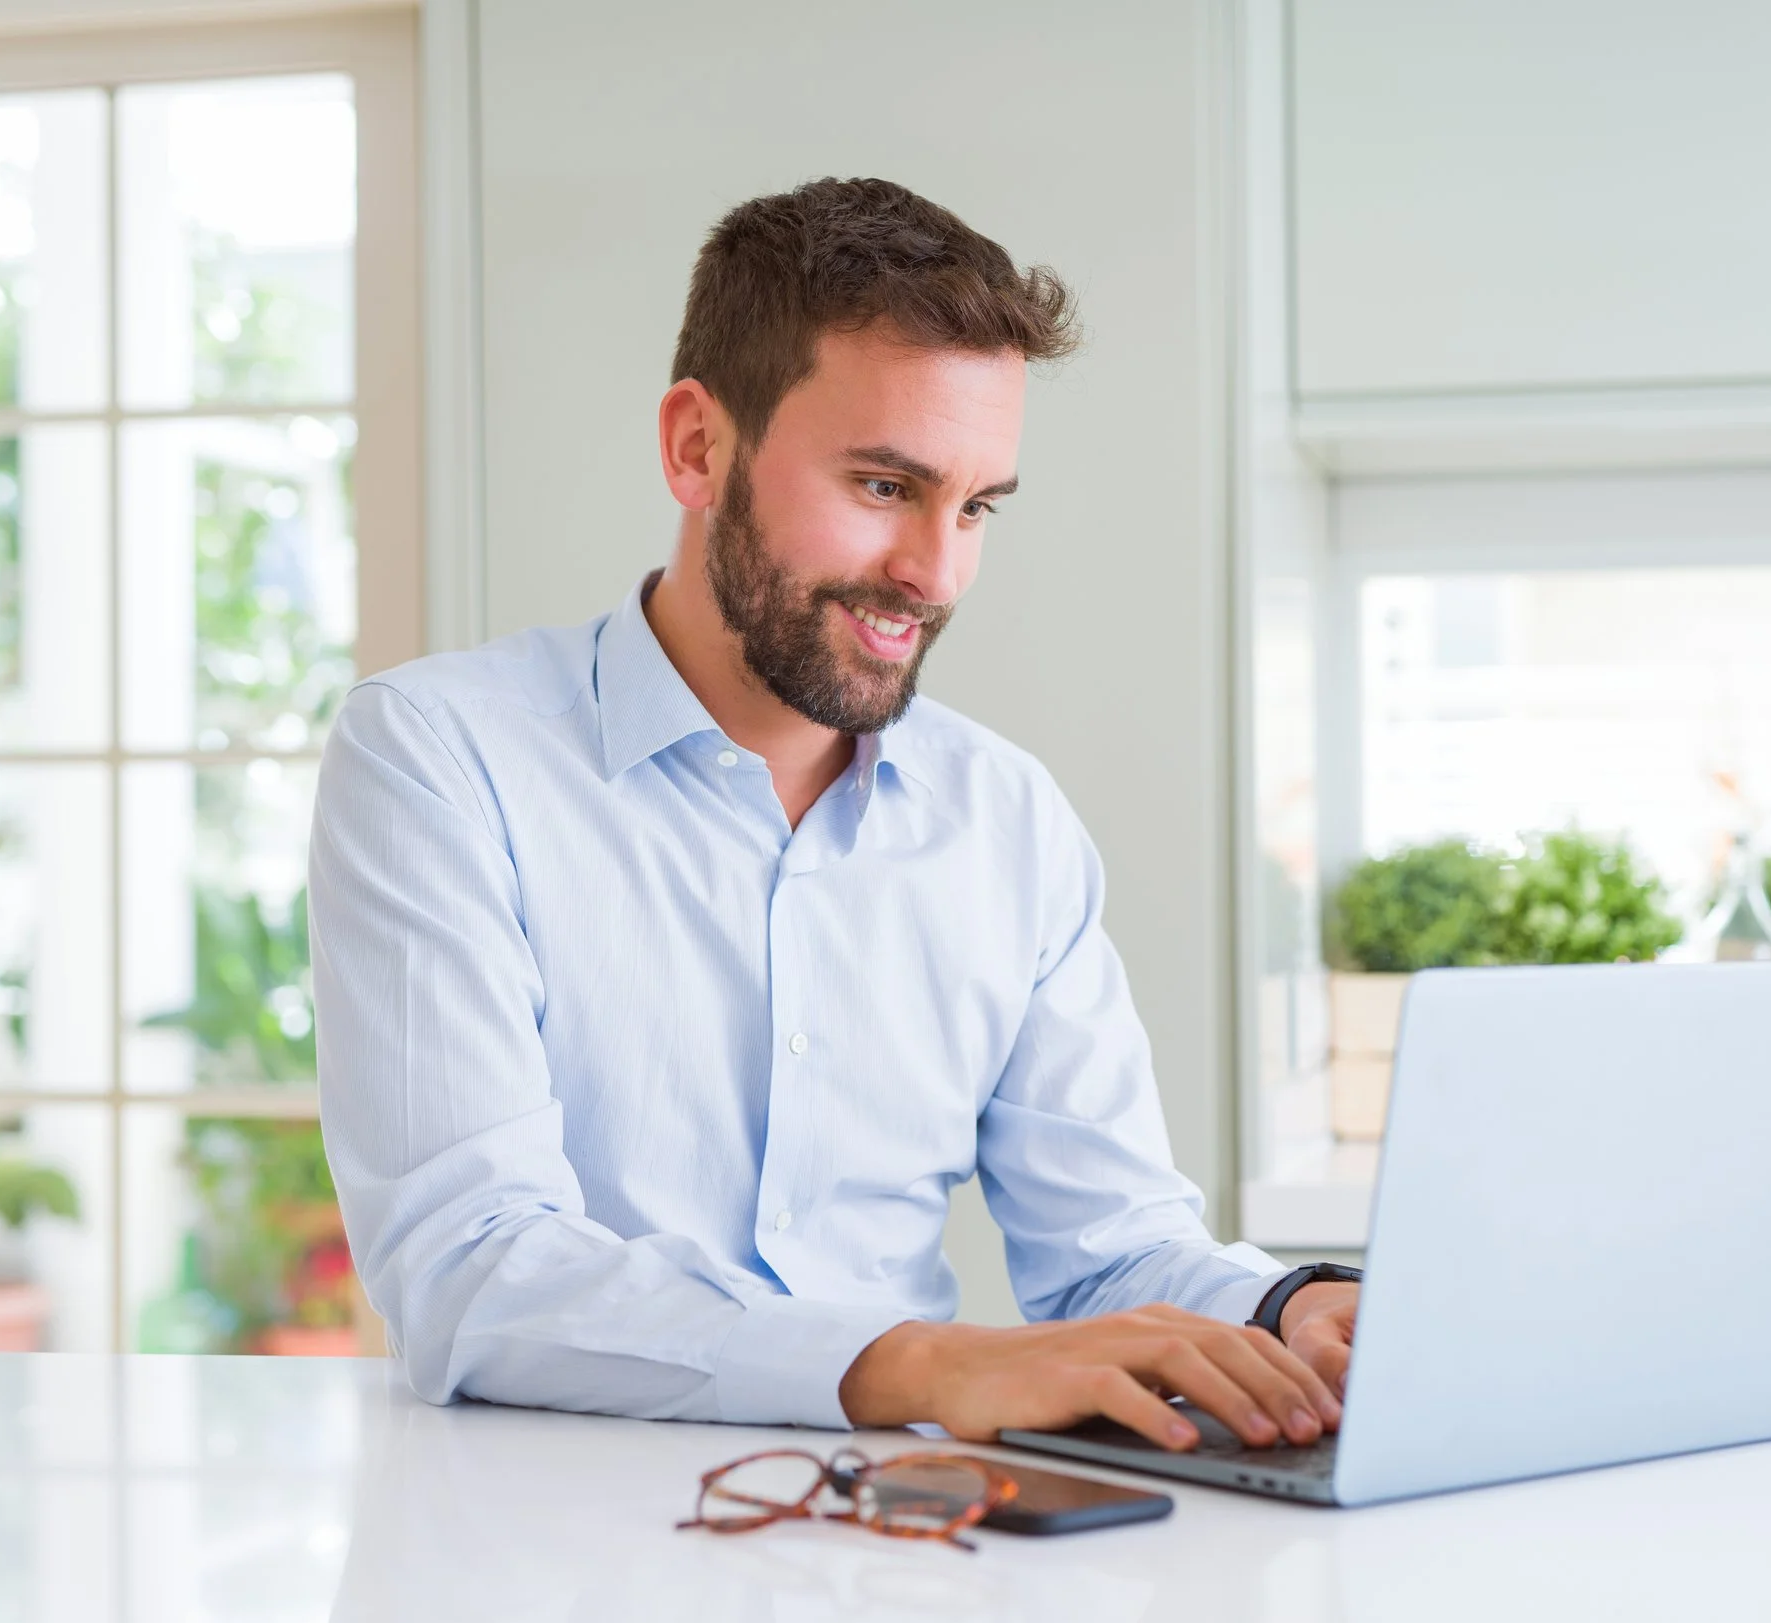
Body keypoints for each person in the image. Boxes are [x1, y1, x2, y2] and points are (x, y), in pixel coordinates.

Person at [310, 177, 1354, 1454]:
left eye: (974, 507)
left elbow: (1108, 1253)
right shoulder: (441, 757)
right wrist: (919, 1363)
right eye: (881, 485)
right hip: (561, 1563)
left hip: (915, 1559)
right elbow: (471, 1269)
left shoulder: (1005, 820)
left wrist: (1287, 1307)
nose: (934, 571)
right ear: (698, 446)